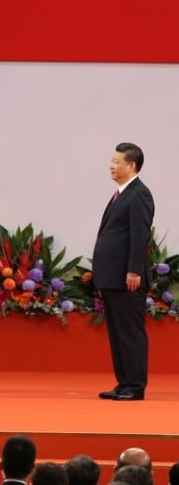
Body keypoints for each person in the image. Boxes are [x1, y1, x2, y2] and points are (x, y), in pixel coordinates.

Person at [94, 143, 154, 402]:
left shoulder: (139, 194)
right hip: (112, 277)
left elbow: (140, 235)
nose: (111, 165)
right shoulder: (121, 193)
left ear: (131, 166)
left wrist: (133, 270)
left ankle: (135, 386)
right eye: (112, 160)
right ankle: (124, 383)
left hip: (127, 278)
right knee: (117, 333)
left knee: (130, 332)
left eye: (117, 161)